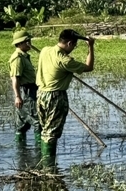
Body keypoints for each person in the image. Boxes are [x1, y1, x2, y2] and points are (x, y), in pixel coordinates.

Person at [36, 29, 95, 166]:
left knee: (45, 129)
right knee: (51, 133)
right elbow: (89, 67)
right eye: (74, 45)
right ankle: (49, 167)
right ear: (69, 43)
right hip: (55, 96)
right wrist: (90, 47)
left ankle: (45, 163)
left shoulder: (45, 50)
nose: (74, 48)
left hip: (40, 94)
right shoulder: (65, 61)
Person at [9, 29, 41, 144]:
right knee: (38, 121)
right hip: (26, 91)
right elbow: (15, 78)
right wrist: (17, 96)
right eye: (28, 41)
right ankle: (42, 153)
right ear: (21, 43)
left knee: (22, 122)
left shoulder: (24, 56)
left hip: (31, 89)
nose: (30, 43)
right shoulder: (17, 58)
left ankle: (22, 154)